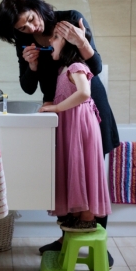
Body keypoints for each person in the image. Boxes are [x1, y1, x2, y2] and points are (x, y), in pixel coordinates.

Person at [0, 0, 119, 258]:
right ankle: (66, 238)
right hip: (58, 112)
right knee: (63, 171)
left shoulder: (70, 20)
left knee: (92, 173)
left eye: (30, 19)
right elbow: (28, 87)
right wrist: (31, 64)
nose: (31, 28)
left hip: (87, 111)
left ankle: (99, 247)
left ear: (35, 7)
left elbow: (95, 66)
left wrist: (81, 41)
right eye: (21, 28)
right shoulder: (25, 41)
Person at [39, 31, 111, 232]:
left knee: (83, 166)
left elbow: (84, 92)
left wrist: (55, 108)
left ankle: (87, 216)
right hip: (73, 126)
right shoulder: (63, 69)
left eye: (54, 38)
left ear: (66, 42)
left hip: (80, 126)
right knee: (76, 167)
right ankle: (79, 213)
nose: (50, 42)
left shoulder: (76, 66)